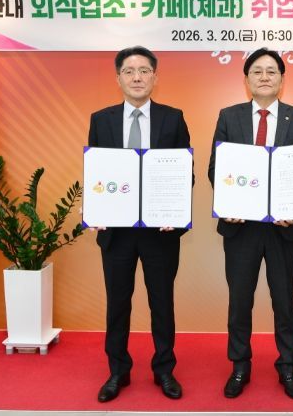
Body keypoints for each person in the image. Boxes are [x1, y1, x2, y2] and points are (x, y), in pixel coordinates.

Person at [207, 48, 293, 399]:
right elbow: (216, 168)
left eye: (271, 71)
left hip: (283, 227)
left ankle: (288, 366)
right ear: (246, 80)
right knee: (240, 301)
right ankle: (240, 366)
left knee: (285, 301)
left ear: (282, 79)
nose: (264, 77)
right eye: (257, 71)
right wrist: (229, 203)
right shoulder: (229, 116)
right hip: (242, 227)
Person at [88, 46, 191, 402]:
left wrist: (176, 211)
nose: (137, 77)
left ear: (155, 77)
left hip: (160, 233)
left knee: (162, 303)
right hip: (116, 233)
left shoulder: (173, 118)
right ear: (118, 78)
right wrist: (95, 207)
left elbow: (185, 173)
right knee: (118, 303)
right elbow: (96, 172)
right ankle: (118, 370)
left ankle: (164, 369)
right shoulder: (101, 120)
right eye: (129, 71)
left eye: (144, 71)